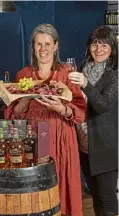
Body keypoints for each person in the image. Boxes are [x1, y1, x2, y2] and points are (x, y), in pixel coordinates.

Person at [5, 24, 86, 216]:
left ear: (56, 46)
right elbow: (13, 115)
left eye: (47, 44)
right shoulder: (23, 75)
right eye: (38, 44)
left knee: (64, 185)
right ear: (33, 47)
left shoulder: (66, 73)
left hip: (62, 137)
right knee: (36, 191)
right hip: (33, 139)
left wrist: (62, 108)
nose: (43, 49)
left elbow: (81, 112)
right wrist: (24, 99)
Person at [68, 25, 118, 215]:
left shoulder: (115, 74)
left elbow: (103, 105)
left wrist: (86, 85)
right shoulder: (83, 68)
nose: (98, 50)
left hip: (105, 145)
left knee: (108, 200)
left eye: (104, 46)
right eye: (95, 45)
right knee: (95, 196)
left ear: (112, 49)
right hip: (84, 144)